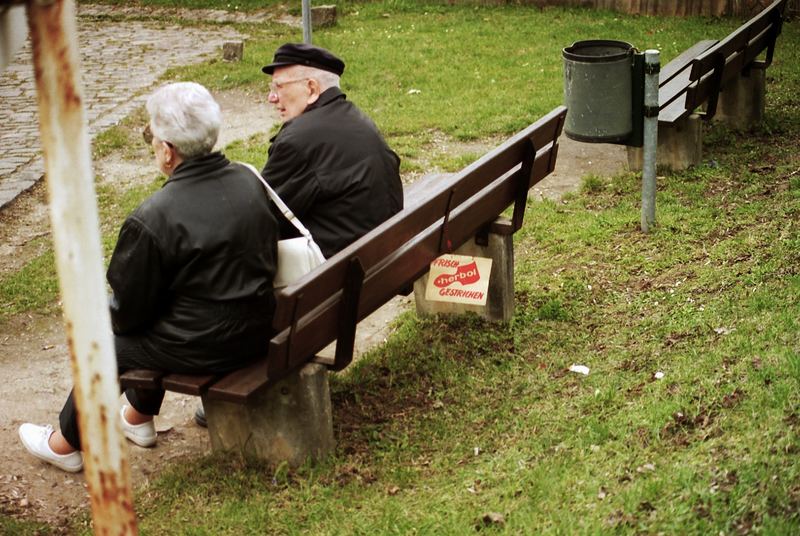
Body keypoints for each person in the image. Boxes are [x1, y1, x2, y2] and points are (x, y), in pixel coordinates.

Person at [18, 82, 279, 472]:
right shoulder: (248, 179)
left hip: (209, 347)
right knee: (166, 317)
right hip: (260, 330)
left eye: (152, 136)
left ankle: (65, 443)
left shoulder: (154, 216)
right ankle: (139, 417)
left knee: (116, 345)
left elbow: (128, 316)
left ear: (168, 151)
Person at [193, 43, 403, 428]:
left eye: (279, 87)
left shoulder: (299, 139)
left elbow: (255, 219)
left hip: (332, 286)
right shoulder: (354, 118)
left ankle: (223, 376)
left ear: (310, 88)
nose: (272, 98)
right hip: (379, 265)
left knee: (224, 269)